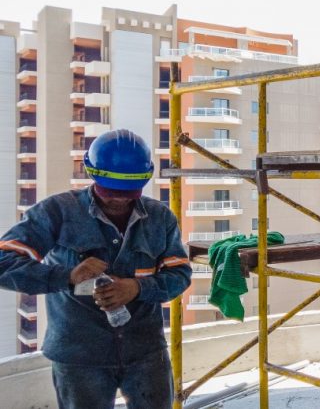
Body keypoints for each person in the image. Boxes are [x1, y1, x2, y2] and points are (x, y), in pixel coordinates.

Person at [0, 129, 190, 408]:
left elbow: (179, 274)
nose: (119, 199)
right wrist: (67, 277)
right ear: (91, 173)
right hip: (79, 357)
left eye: (128, 192)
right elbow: (4, 263)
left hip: (145, 353)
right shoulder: (57, 212)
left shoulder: (159, 218)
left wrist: (137, 288)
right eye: (110, 191)